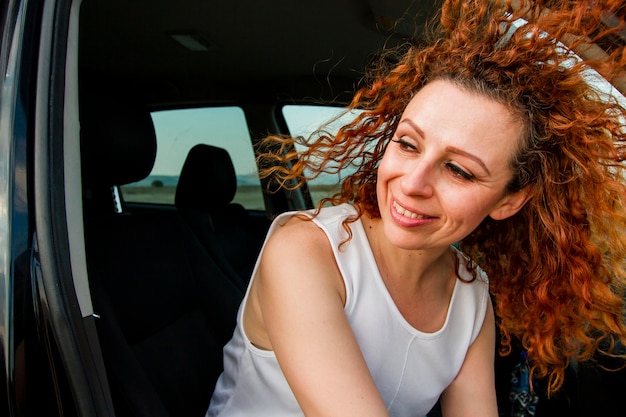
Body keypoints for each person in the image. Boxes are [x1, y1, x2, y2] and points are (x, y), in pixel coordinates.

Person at [207, 0, 626, 415]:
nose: (411, 183)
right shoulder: (303, 250)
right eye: (408, 144)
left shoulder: (471, 296)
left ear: (509, 200)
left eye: (459, 170)